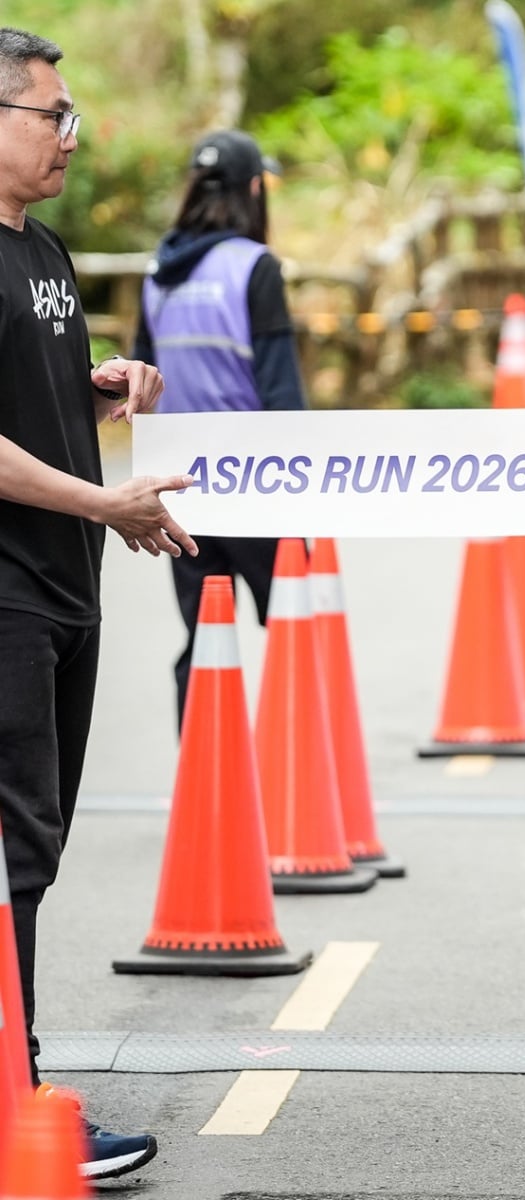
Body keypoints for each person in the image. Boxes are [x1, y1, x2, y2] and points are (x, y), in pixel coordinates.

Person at [0, 25, 195, 1180]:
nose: (72, 134)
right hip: (11, 591)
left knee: (39, 844)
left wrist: (96, 381)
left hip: (67, 589)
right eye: (51, 115)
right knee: (16, 849)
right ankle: (20, 1096)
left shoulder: (49, 253)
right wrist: (102, 501)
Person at [132, 129, 304, 728]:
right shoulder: (254, 268)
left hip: (183, 491)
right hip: (261, 486)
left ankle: (206, 789)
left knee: (206, 637)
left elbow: (136, 382)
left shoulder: (158, 274)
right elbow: (283, 394)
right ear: (254, 189)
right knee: (297, 630)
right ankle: (293, 780)